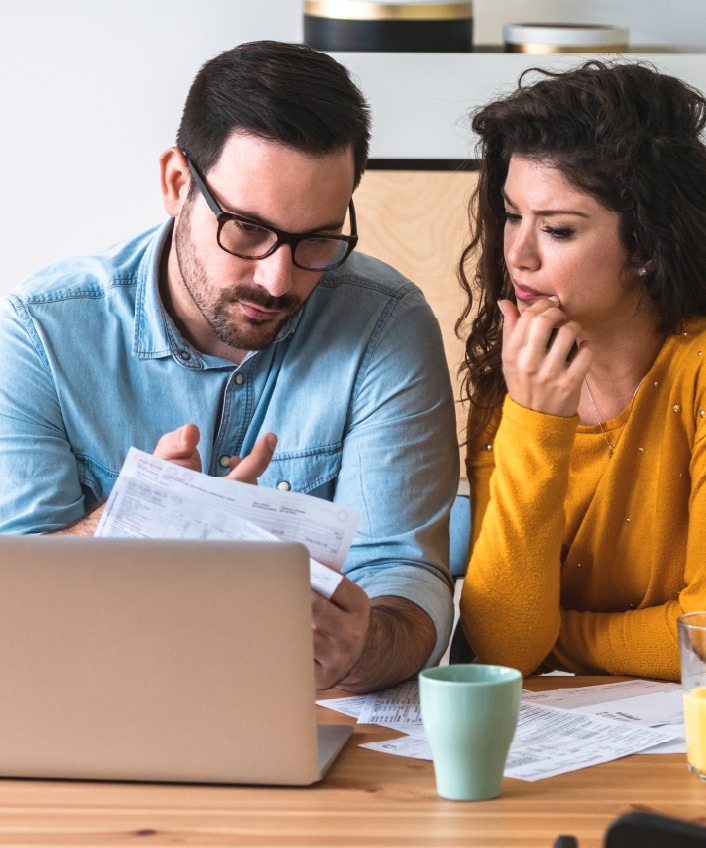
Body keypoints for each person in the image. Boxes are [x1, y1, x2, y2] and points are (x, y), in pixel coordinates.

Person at [0, 41, 458, 692]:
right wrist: (131, 522)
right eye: (245, 229)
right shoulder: (42, 331)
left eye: (318, 240)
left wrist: (362, 646)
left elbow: (405, 579)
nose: (277, 279)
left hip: (313, 720)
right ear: (176, 184)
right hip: (97, 704)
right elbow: (14, 594)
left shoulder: (386, 325)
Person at [456, 60, 706, 682]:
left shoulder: (699, 373)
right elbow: (505, 649)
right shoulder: (513, 380)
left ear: (647, 246)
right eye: (513, 215)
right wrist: (536, 420)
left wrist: (556, 639)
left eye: (558, 229)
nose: (518, 253)